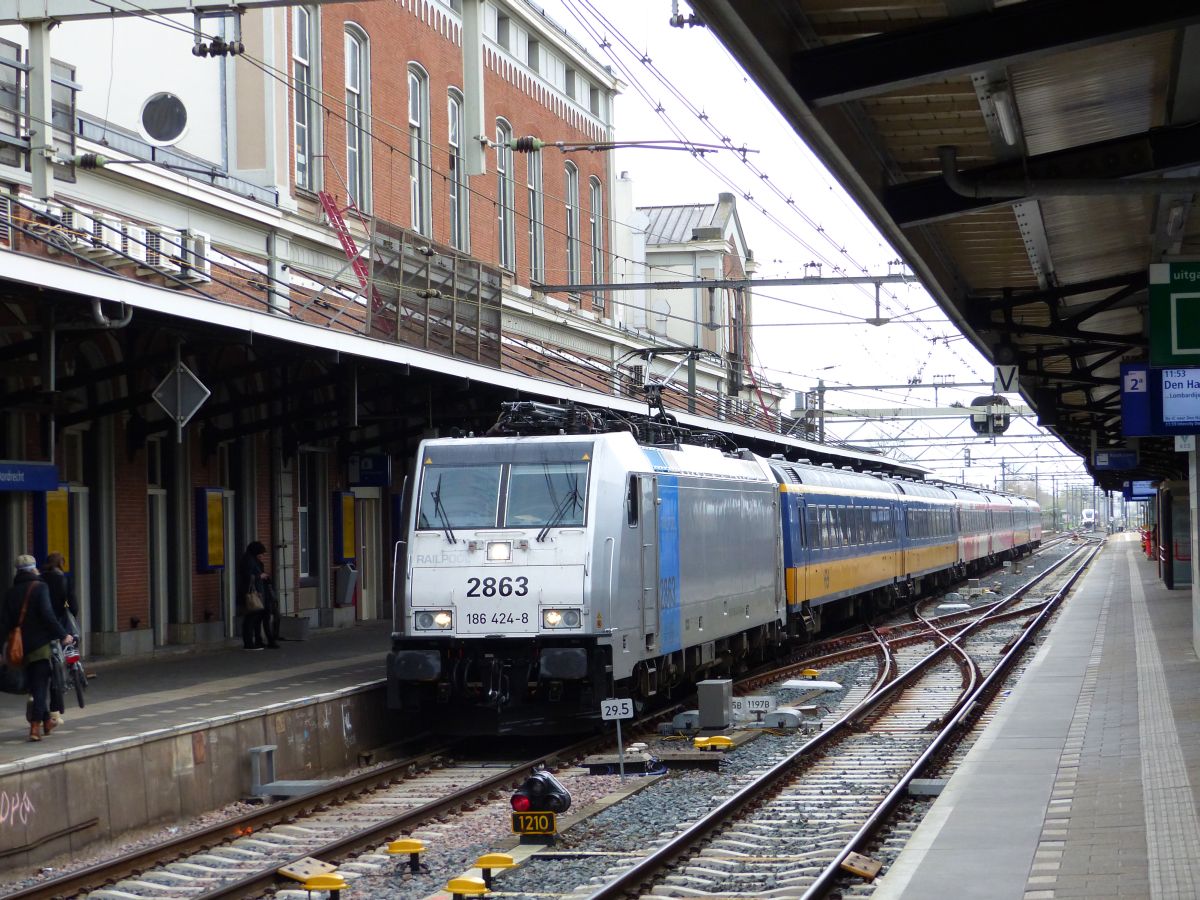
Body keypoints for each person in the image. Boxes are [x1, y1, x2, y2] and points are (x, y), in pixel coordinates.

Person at [1, 554, 74, 741]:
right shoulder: (40, 588)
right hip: (39, 645)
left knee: (34, 685)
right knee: (40, 685)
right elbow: (48, 616)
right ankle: (35, 727)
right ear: (34, 568)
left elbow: (4, 623)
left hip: (18, 648)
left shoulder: (11, 592)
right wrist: (63, 635)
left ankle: (47, 720)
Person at [41, 552, 77, 724]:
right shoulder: (63, 580)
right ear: (61, 564)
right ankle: (54, 712)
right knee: (57, 668)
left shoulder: (39, 581)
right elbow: (73, 604)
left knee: (40, 670)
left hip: (41, 630)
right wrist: (70, 614)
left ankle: (36, 708)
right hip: (59, 628)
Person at [238, 541, 277, 650]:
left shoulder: (250, 560)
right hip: (252, 594)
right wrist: (261, 575)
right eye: (260, 553)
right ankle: (249, 643)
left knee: (254, 618)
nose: (262, 556)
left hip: (254, 593)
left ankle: (254, 641)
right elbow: (248, 576)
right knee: (251, 618)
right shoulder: (249, 561)